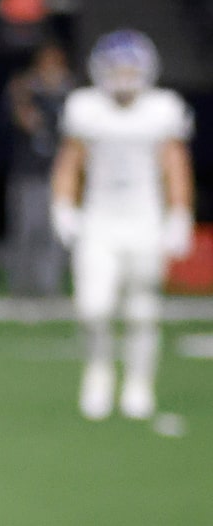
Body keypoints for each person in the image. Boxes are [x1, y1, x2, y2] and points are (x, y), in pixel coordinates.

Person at [53, 29, 196, 421]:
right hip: (100, 219)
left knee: (142, 310)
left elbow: (174, 164)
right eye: (115, 68)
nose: (123, 76)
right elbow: (71, 161)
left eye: (130, 68)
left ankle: (138, 382)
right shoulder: (85, 107)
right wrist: (64, 205)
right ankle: (98, 371)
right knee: (93, 306)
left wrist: (180, 212)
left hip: (144, 219)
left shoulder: (163, 109)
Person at [5, 37, 74, 298]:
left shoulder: (70, 93)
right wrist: (21, 95)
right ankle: (21, 288)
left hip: (59, 175)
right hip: (28, 173)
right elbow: (22, 122)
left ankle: (49, 287)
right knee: (26, 231)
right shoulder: (25, 89)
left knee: (54, 235)